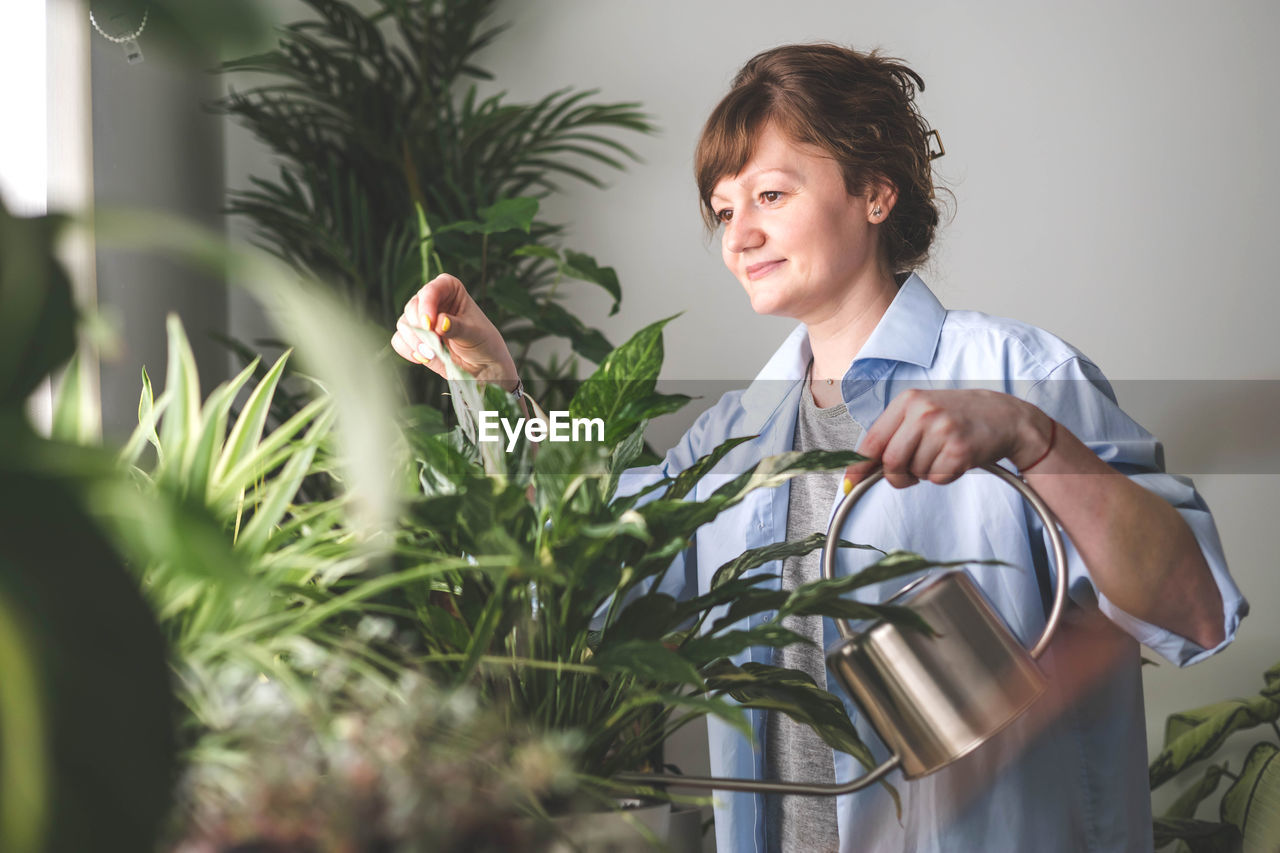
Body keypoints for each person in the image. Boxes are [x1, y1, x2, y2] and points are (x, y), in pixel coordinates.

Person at [391, 44, 1246, 853]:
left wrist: (1033, 438)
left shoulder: (1019, 374)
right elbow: (574, 575)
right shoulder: (732, 438)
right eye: (724, 210)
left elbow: (1193, 609)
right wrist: (493, 386)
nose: (738, 236)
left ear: (876, 192)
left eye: (770, 196)